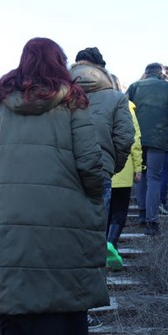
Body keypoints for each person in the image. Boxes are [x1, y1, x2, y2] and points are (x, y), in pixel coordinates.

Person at [0, 38, 108, 335]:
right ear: (59, 62)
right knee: (55, 305)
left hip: (9, 213)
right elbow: (90, 162)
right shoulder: (73, 99)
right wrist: (93, 195)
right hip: (61, 213)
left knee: (15, 296)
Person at [69, 47, 135, 214]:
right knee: (96, 233)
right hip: (100, 169)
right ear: (101, 68)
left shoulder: (57, 94)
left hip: (63, 170)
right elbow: (125, 138)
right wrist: (111, 166)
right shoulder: (117, 98)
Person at [126, 63, 168, 235]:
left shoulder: (134, 86)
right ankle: (152, 222)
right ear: (160, 74)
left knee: (139, 174)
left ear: (145, 73)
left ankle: (141, 213)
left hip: (136, 138)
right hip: (159, 138)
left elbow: (123, 109)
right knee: (154, 178)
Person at [107, 74, 142, 250]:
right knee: (119, 210)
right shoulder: (126, 106)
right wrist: (138, 167)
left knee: (103, 210)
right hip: (123, 168)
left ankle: (100, 246)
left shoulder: (90, 104)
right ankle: (111, 243)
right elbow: (134, 138)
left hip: (99, 168)